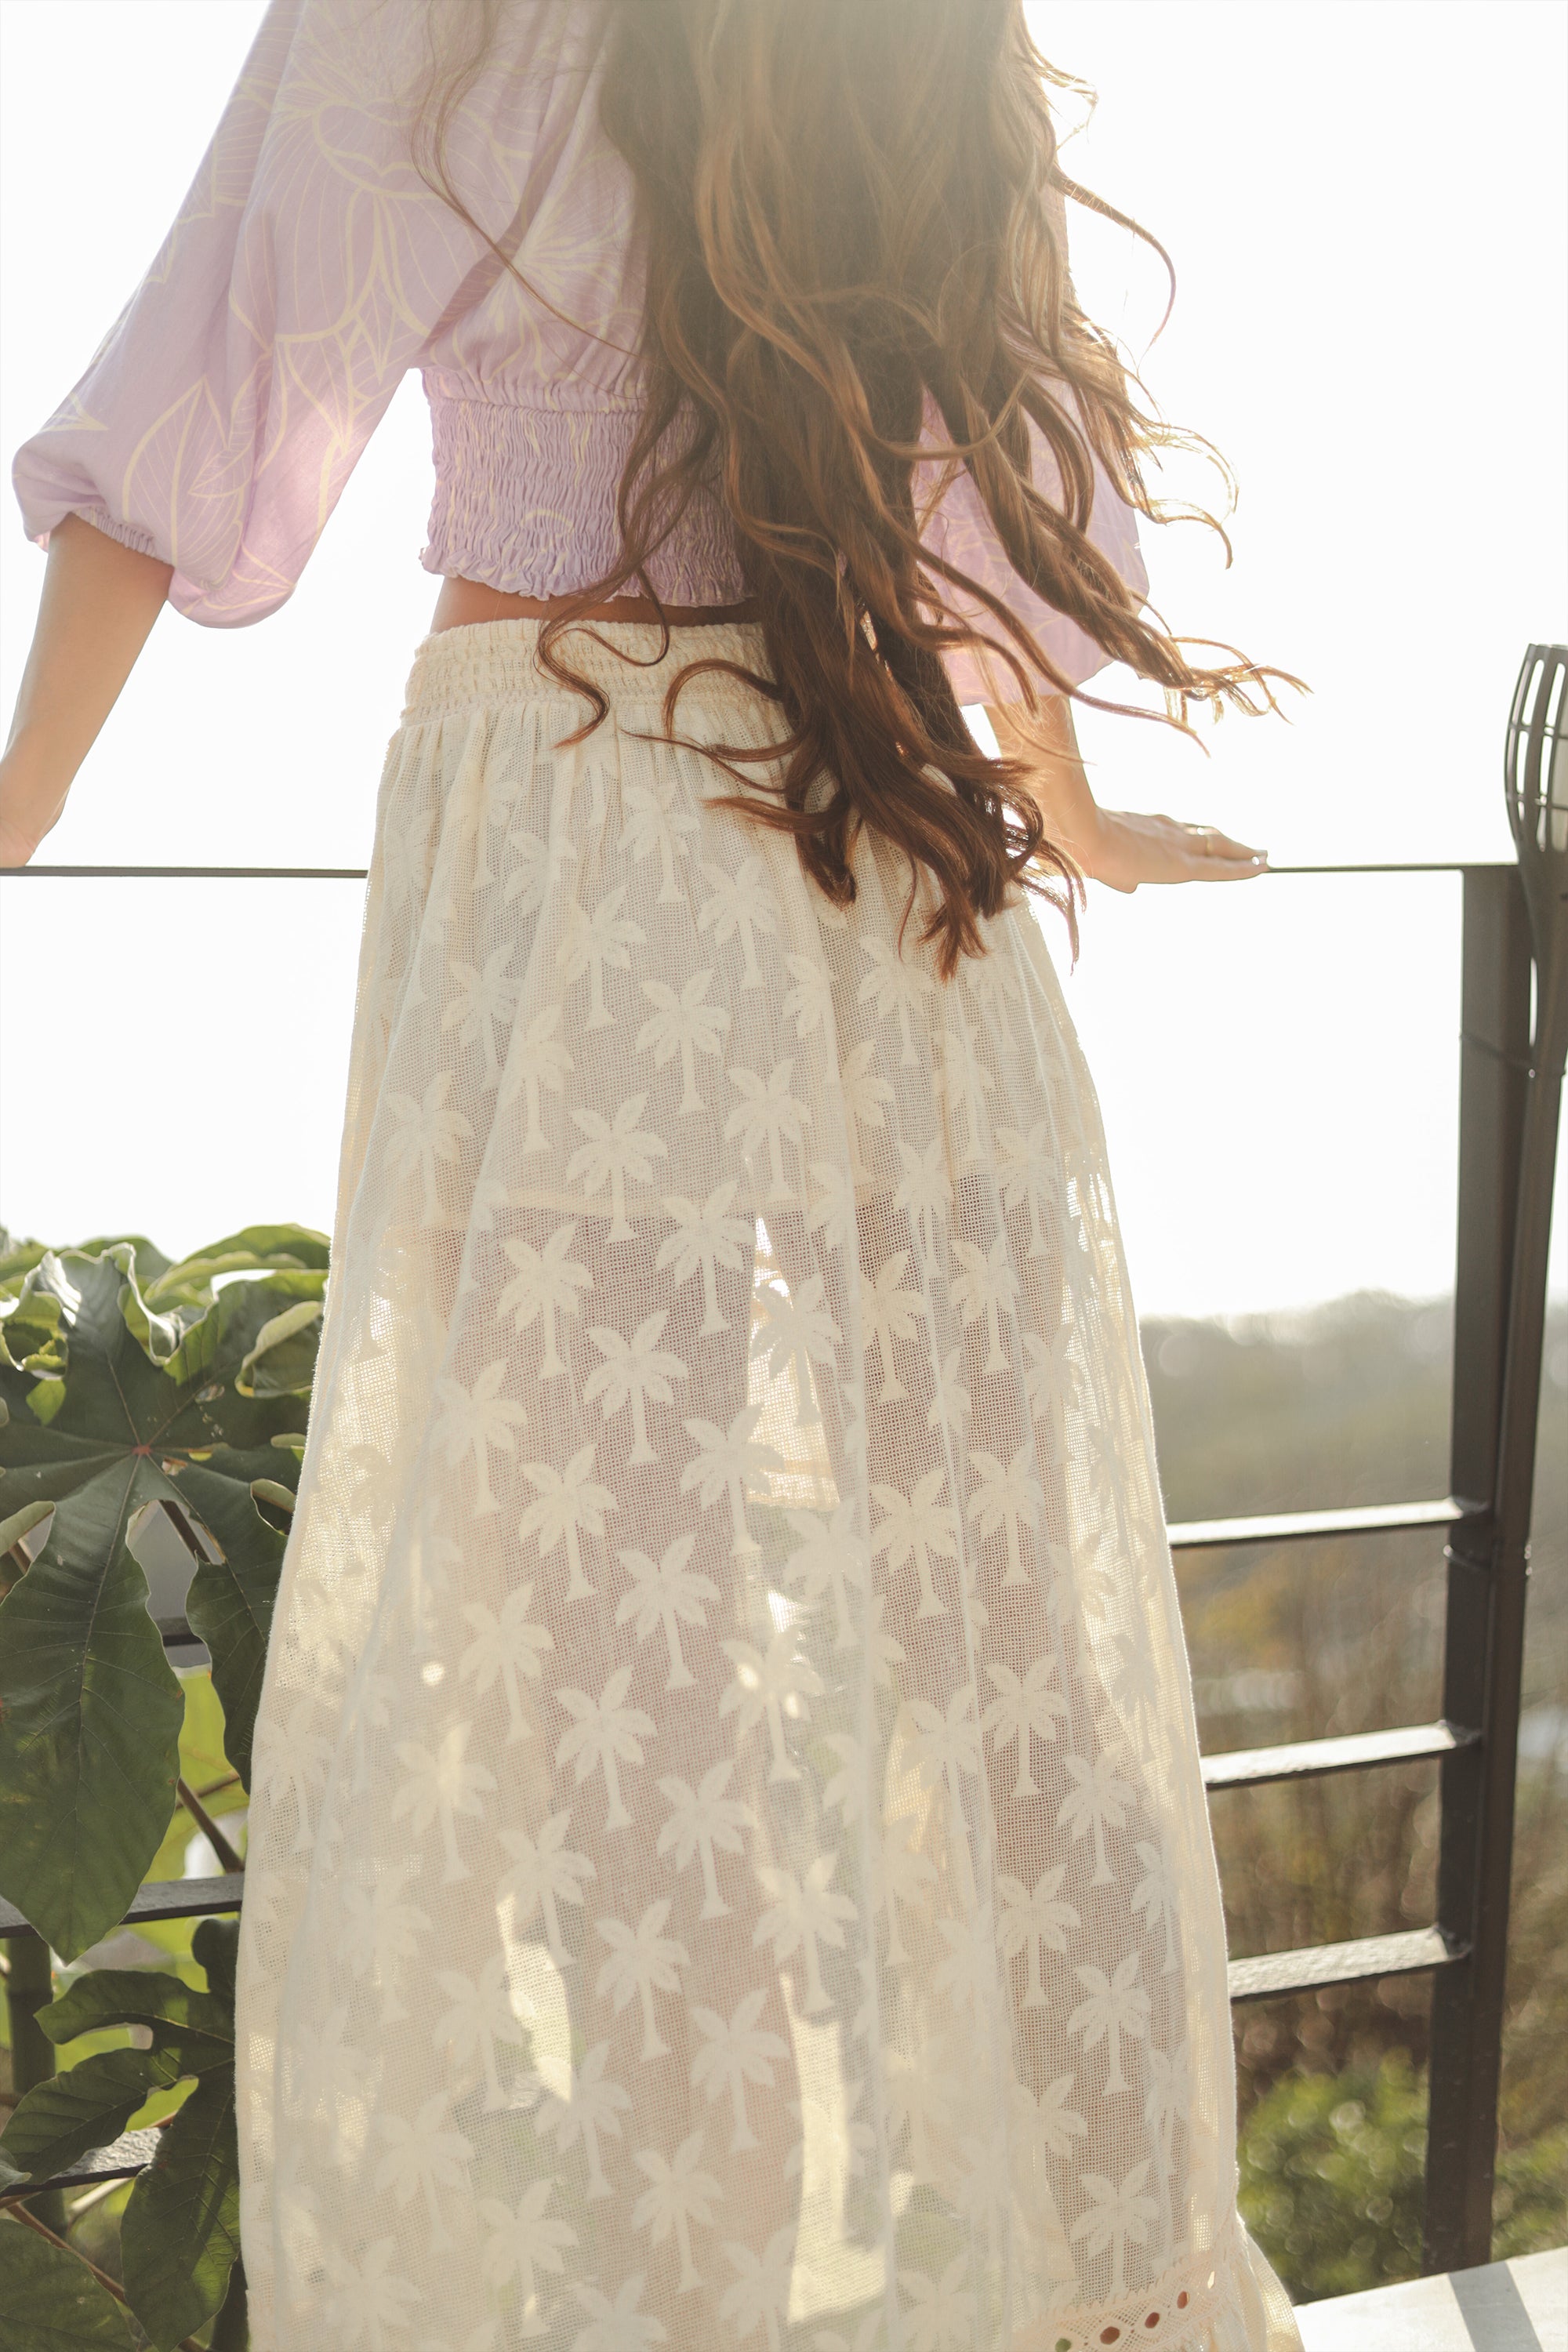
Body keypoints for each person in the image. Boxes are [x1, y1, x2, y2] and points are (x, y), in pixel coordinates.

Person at [2, 5, 1305, 2347]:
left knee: (629, 1685)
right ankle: (1112, 2295)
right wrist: (1073, 812)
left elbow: (202, 392)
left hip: (579, 849)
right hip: (890, 845)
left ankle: (701, 2299)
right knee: (1003, 1639)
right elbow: (998, 470)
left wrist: (21, 802)